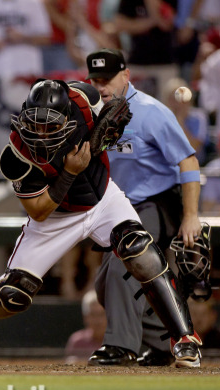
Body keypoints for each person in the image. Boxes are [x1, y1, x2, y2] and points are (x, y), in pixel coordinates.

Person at [0, 79, 203, 369]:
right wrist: (70, 172)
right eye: (36, 124)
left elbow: (115, 113)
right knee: (12, 295)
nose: (42, 133)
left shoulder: (85, 99)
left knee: (139, 249)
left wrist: (107, 136)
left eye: (50, 126)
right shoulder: (16, 156)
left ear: (69, 116)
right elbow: (40, 211)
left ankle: (184, 338)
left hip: (101, 198)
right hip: (55, 215)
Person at [84, 48, 203, 367]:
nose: (101, 87)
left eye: (107, 79)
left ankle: (120, 346)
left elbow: (188, 161)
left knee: (127, 263)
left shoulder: (151, 112)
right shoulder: (92, 115)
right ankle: (161, 343)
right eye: (94, 80)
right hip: (119, 210)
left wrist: (191, 216)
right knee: (103, 285)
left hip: (157, 203)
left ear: (126, 75)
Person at [65, 289, 106, 363]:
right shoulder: (77, 341)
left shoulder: (120, 342)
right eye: (93, 314)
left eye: (102, 314)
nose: (98, 321)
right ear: (85, 317)